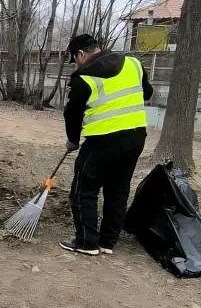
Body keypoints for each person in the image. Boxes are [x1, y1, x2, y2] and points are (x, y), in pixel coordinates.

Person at [60, 33, 153, 256]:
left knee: (84, 189)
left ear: (80, 54)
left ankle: (87, 242)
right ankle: (107, 242)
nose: (77, 64)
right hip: (135, 138)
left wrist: (73, 140)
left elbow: (72, 114)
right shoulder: (133, 63)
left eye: (75, 60)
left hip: (102, 141)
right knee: (118, 190)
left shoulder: (83, 77)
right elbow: (147, 93)